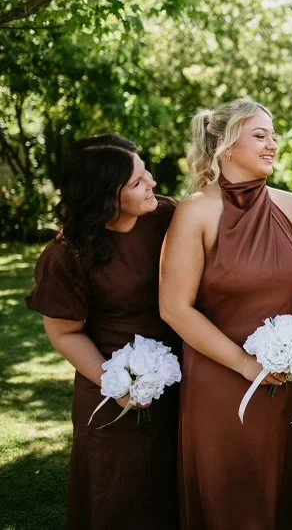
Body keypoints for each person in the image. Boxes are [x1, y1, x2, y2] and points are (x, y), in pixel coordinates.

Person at [159, 98, 292, 529]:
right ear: (226, 147)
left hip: (289, 378)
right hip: (221, 379)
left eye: (273, 135)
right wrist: (245, 365)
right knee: (231, 497)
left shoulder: (291, 207)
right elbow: (175, 307)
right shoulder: (196, 211)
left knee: (291, 489)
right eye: (260, 135)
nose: (273, 143)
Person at [26, 134, 180, 530]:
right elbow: (64, 333)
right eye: (138, 183)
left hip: (181, 383)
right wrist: (120, 383)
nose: (153, 186)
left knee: (173, 491)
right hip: (111, 389)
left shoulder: (167, 217)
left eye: (147, 174)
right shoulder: (67, 253)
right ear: (107, 197)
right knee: (120, 496)